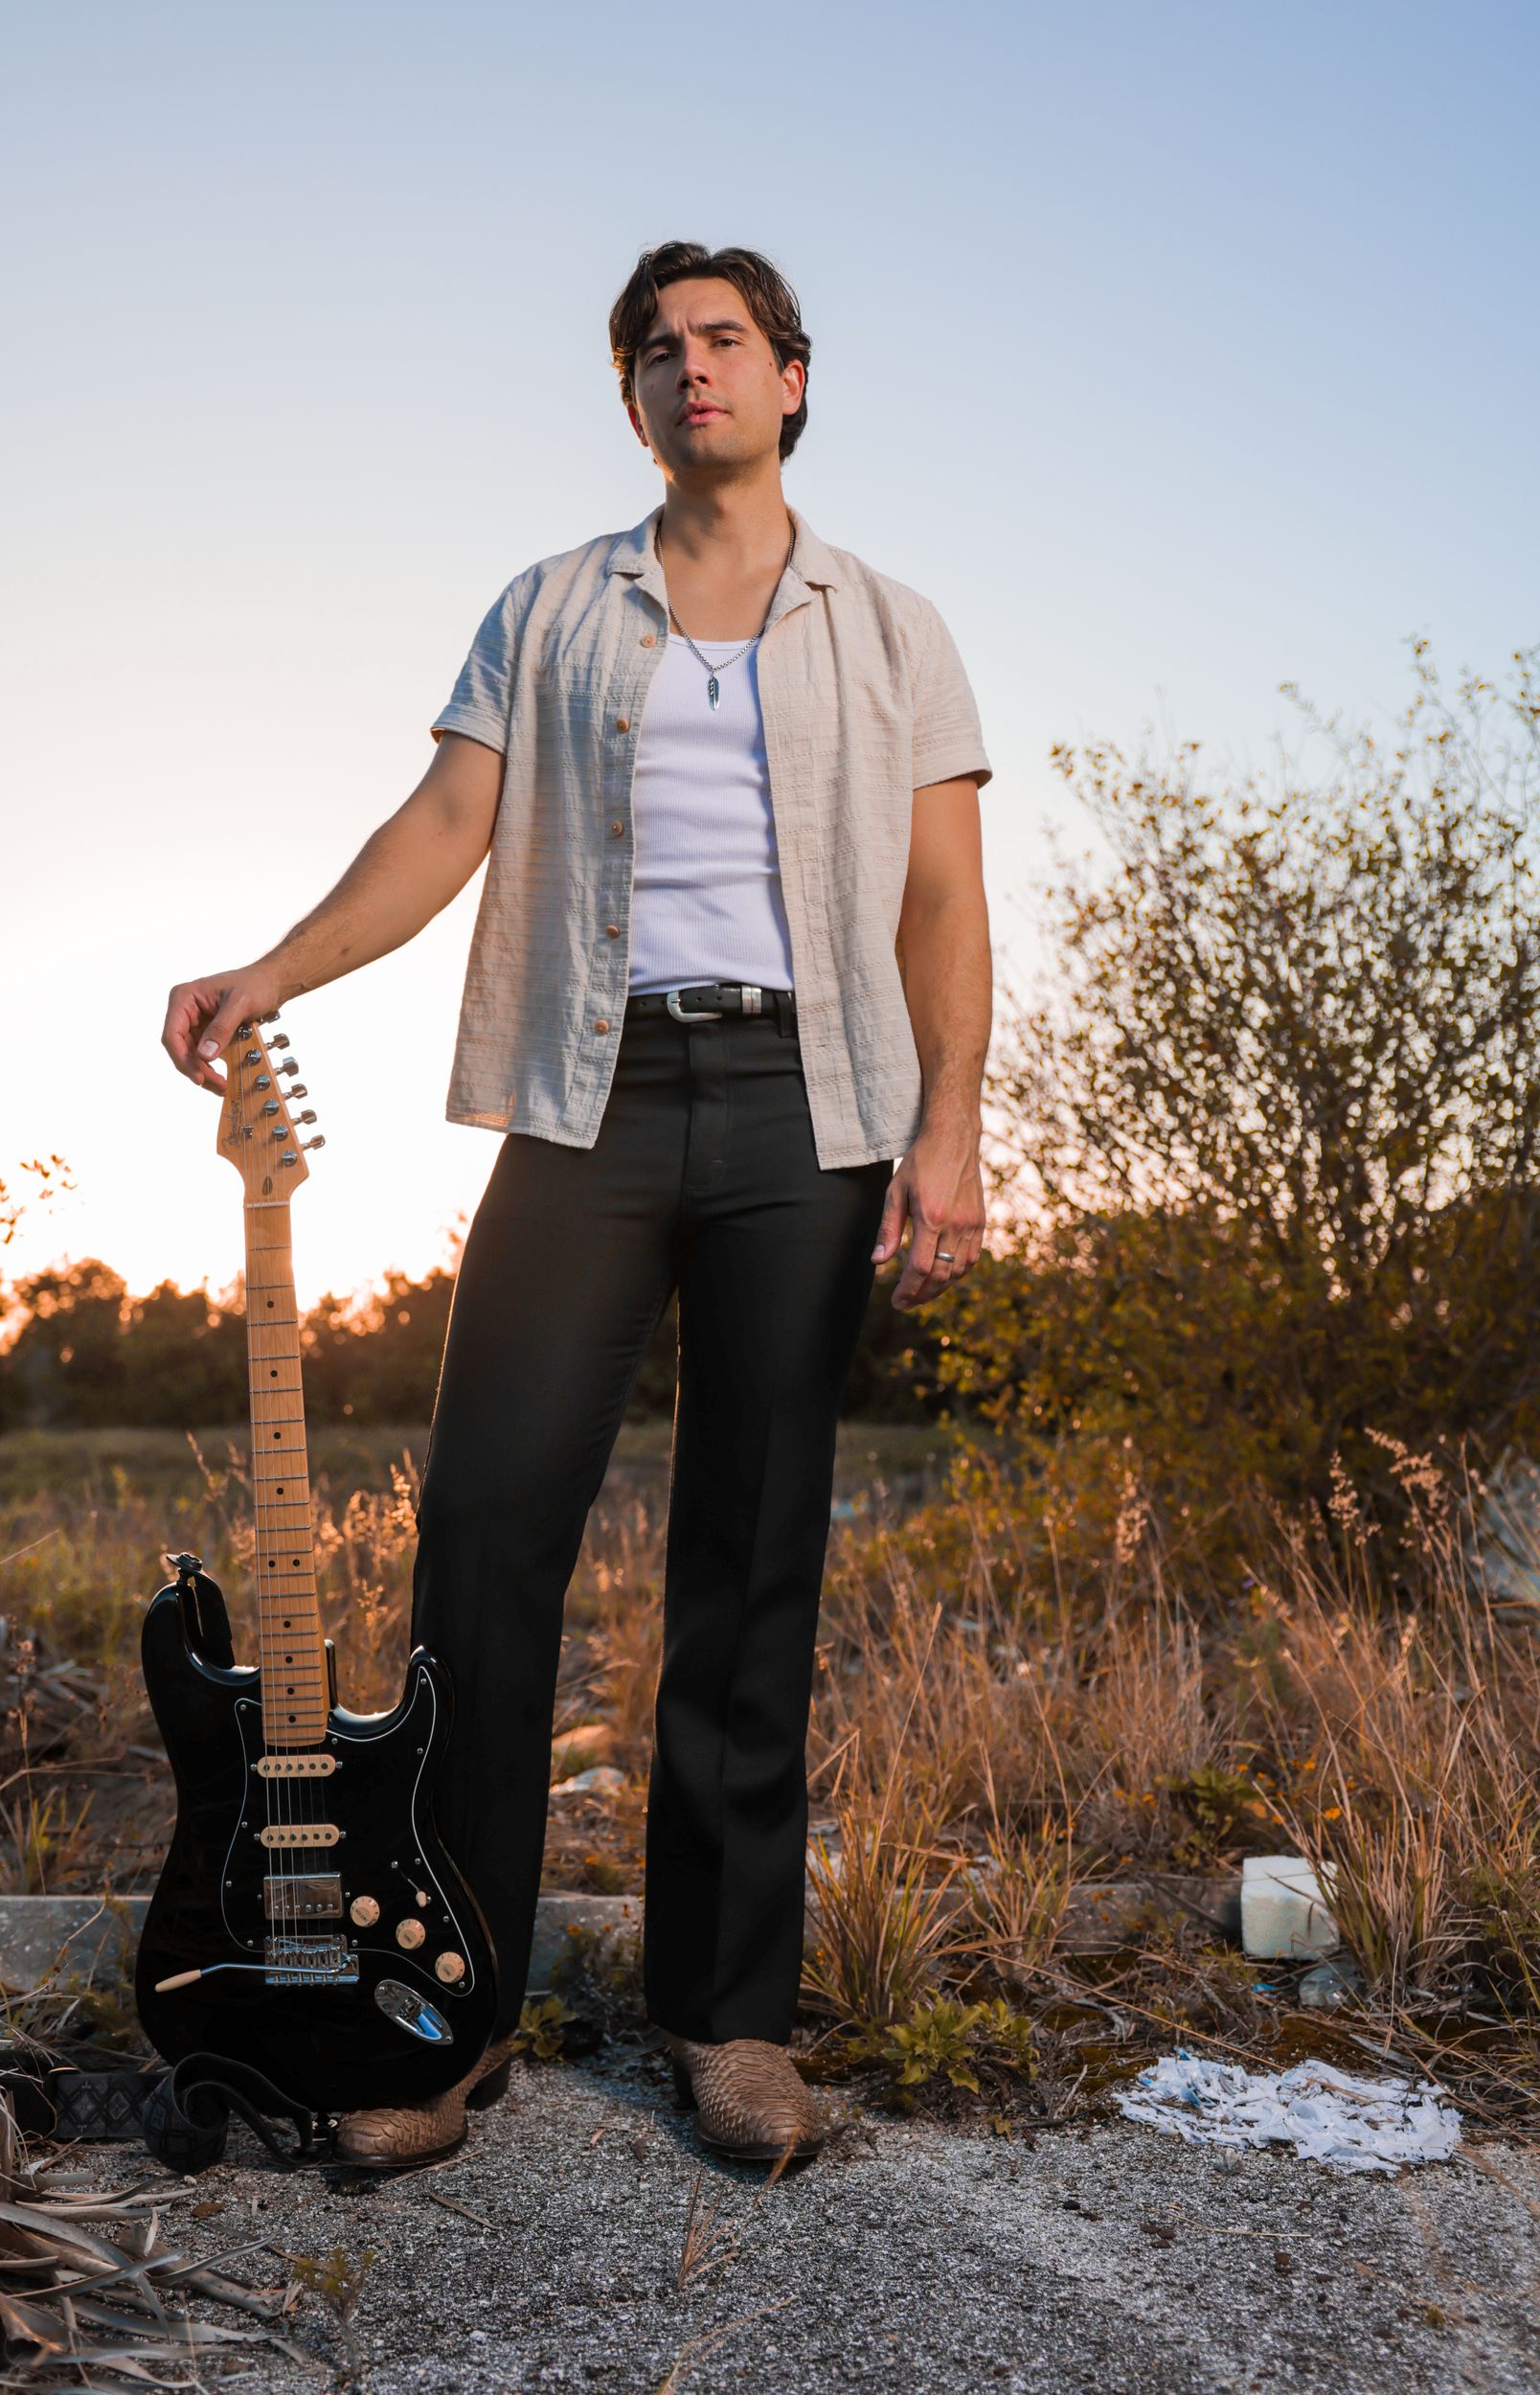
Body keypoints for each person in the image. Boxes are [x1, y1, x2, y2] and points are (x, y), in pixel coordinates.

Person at [161, 240, 991, 2168]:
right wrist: (276, 968)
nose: (689, 368)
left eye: (722, 340)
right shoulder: (549, 610)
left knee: (754, 1553)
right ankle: (443, 2015)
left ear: (791, 379)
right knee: (486, 1534)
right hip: (585, 1102)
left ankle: (728, 2020)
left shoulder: (896, 627)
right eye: (655, 350)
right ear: (631, 404)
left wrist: (949, 1130)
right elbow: (445, 823)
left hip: (809, 1108)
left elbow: (944, 901)